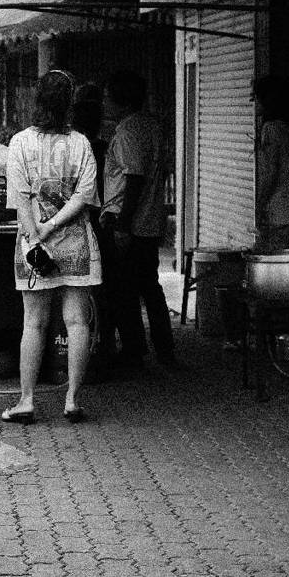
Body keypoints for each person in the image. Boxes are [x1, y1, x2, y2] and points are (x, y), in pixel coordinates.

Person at [2, 69, 101, 424]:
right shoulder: (81, 143)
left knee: (34, 323)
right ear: (69, 103)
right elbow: (85, 195)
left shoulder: (20, 143)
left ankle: (26, 401)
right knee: (76, 322)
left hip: (33, 245)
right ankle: (72, 399)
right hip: (74, 241)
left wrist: (36, 234)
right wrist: (55, 225)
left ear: (37, 99)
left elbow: (19, 196)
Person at [100, 69, 174, 367]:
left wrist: (123, 225)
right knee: (148, 286)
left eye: (108, 97)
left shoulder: (129, 131)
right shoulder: (151, 126)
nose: (104, 103)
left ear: (122, 101)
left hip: (129, 219)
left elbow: (134, 178)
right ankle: (163, 349)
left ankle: (134, 350)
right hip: (150, 220)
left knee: (124, 290)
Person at [71, 85, 118, 362]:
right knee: (103, 287)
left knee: (79, 290)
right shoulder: (103, 148)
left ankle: (85, 348)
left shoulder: (74, 150)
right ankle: (105, 343)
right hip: (103, 221)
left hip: (81, 220)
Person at [253, 75, 289, 253]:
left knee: (268, 257)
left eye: (256, 98)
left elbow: (271, 172)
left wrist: (260, 204)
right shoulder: (285, 128)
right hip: (286, 210)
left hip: (278, 212)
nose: (254, 103)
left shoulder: (270, 129)